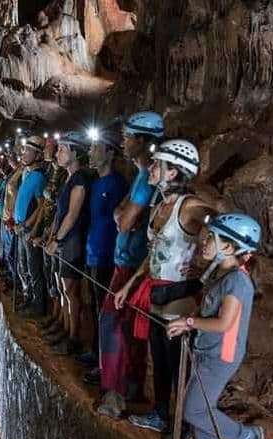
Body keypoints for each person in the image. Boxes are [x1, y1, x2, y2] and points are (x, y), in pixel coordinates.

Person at [114, 139, 214, 439]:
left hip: (178, 298)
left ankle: (183, 425)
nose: (151, 168)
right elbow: (154, 251)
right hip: (154, 292)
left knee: (176, 362)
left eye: (158, 165)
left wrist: (204, 268)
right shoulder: (161, 206)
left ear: (173, 173)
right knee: (158, 357)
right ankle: (160, 412)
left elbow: (224, 235)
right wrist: (130, 285)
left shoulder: (191, 206)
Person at [166, 213, 264, 439]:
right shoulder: (221, 273)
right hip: (207, 349)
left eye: (212, 238)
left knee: (194, 411)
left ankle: (247, 437)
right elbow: (209, 307)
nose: (205, 242)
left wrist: (188, 322)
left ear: (230, 247)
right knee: (202, 407)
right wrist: (191, 325)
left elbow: (223, 323)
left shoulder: (239, 282)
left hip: (221, 356)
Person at [91, 111, 164, 419]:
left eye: (129, 136)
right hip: (132, 263)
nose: (123, 140)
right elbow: (121, 215)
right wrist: (122, 214)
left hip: (135, 266)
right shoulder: (140, 175)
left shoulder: (148, 176)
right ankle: (131, 385)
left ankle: (115, 393)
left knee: (113, 325)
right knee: (130, 330)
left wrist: (123, 215)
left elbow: (125, 221)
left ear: (145, 141)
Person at [80, 124, 128, 367]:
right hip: (92, 251)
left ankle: (104, 364)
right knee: (93, 305)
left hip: (107, 255)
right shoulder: (95, 183)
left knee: (105, 311)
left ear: (110, 152)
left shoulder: (117, 184)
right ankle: (95, 351)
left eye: (95, 147)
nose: (90, 152)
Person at [46, 131, 91, 356]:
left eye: (63, 149)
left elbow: (72, 215)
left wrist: (58, 239)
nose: (58, 153)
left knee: (70, 290)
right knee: (63, 288)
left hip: (72, 241)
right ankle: (64, 328)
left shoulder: (80, 180)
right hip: (64, 239)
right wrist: (53, 237)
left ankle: (74, 337)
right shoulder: (68, 178)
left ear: (75, 153)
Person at [37, 136, 68, 342]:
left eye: (51, 148)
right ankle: (54, 316)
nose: (49, 152)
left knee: (59, 280)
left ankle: (61, 321)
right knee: (51, 276)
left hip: (58, 233)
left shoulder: (64, 175)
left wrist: (53, 236)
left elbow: (60, 209)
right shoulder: (52, 172)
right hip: (50, 230)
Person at [14, 135, 48, 317]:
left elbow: (41, 205)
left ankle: (38, 306)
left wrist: (28, 224)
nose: (24, 153)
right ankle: (29, 298)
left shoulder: (39, 177)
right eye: (24, 149)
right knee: (23, 266)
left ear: (38, 154)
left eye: (28, 150)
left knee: (33, 268)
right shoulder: (28, 174)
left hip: (28, 229)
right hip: (21, 227)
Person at [1, 147, 25, 288]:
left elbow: (19, 198)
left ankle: (17, 283)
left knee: (12, 253)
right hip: (6, 215)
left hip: (12, 218)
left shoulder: (23, 174)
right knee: (8, 251)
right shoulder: (15, 172)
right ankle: (12, 276)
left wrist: (12, 218)